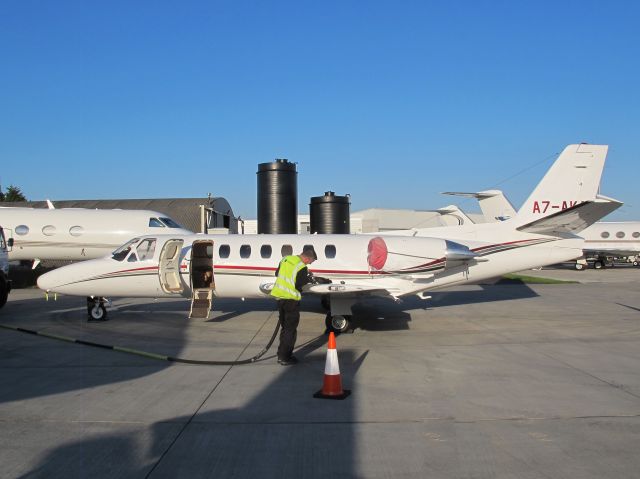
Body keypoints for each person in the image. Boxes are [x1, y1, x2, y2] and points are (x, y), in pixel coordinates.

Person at [270, 246, 317, 365]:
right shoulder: (302, 267)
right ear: (307, 259)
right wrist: (308, 278)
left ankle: (281, 354)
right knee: (290, 330)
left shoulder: (285, 259)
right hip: (291, 300)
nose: (309, 264)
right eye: (311, 262)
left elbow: (277, 273)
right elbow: (298, 284)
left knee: (285, 328)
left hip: (280, 298)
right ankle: (285, 358)